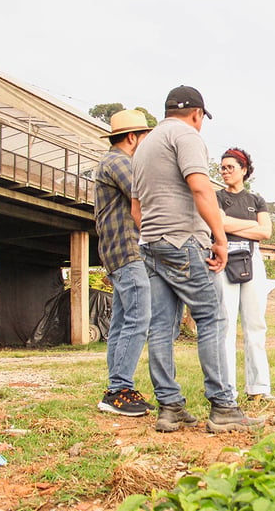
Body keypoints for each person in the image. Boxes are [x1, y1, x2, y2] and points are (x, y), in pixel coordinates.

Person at [131, 85, 263, 433]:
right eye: (202, 118)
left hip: (152, 244)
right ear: (196, 114)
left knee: (160, 327)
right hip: (184, 242)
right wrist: (219, 239)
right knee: (213, 318)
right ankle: (223, 406)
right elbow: (202, 188)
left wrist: (156, 235)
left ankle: (170, 407)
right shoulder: (186, 136)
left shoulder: (144, 146)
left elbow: (135, 208)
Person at [94, 109, 154, 417]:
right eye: (144, 136)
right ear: (133, 137)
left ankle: (117, 388)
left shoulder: (113, 161)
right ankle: (118, 390)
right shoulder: (119, 162)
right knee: (139, 317)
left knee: (121, 321)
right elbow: (145, 193)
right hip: (127, 250)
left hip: (118, 252)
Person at [217, 148, 275, 401]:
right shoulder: (216, 197)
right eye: (222, 167)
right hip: (224, 258)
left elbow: (266, 233)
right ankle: (227, 389)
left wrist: (235, 225)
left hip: (252, 258)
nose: (225, 171)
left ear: (244, 170)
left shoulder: (256, 200)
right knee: (226, 325)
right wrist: (252, 225)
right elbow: (218, 224)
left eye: (230, 167)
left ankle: (259, 387)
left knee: (255, 325)